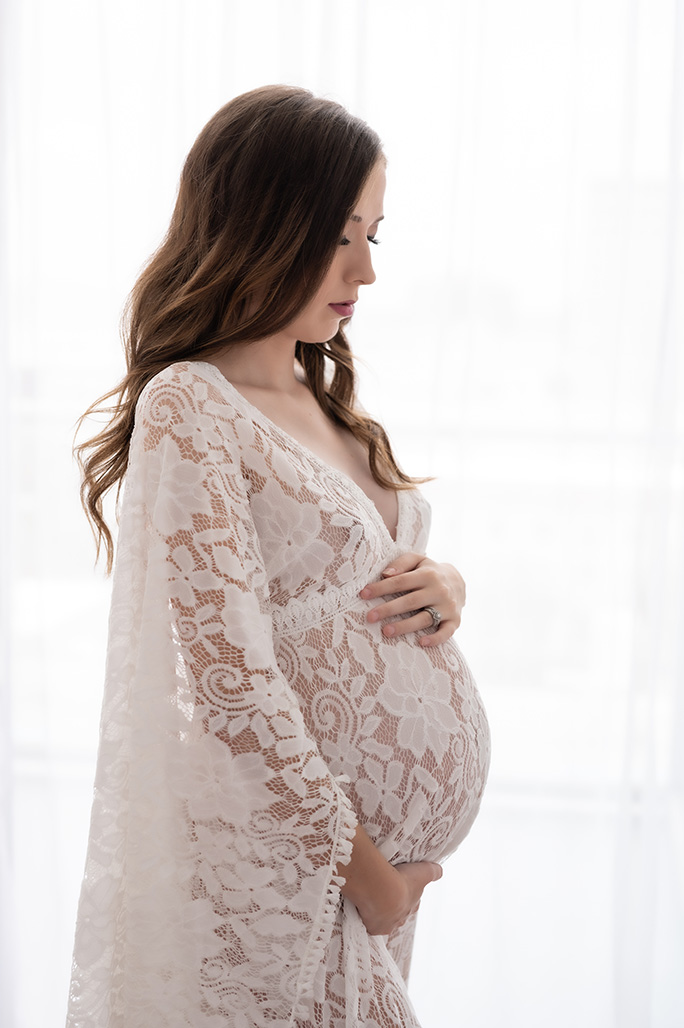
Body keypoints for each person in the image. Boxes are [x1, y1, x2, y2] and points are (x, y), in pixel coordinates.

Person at [67, 84, 490, 1028]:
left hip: (361, 893)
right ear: (267, 225)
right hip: (298, 877)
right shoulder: (193, 405)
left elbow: (348, 582)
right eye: (342, 236)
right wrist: (372, 876)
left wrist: (448, 584)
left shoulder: (326, 397)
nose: (366, 273)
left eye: (375, 236)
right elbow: (229, 680)